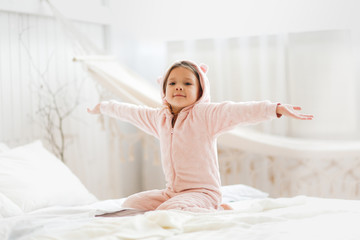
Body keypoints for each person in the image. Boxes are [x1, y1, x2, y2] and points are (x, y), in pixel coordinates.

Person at [88, 60, 313, 212]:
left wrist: (274, 108)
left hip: (203, 192)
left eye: (187, 83)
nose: (179, 87)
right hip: (171, 192)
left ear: (200, 91)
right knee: (132, 204)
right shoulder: (160, 118)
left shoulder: (206, 115)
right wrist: (104, 106)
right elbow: (130, 112)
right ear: (164, 89)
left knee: (169, 212)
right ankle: (198, 208)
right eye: (172, 83)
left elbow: (238, 110)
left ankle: (214, 207)